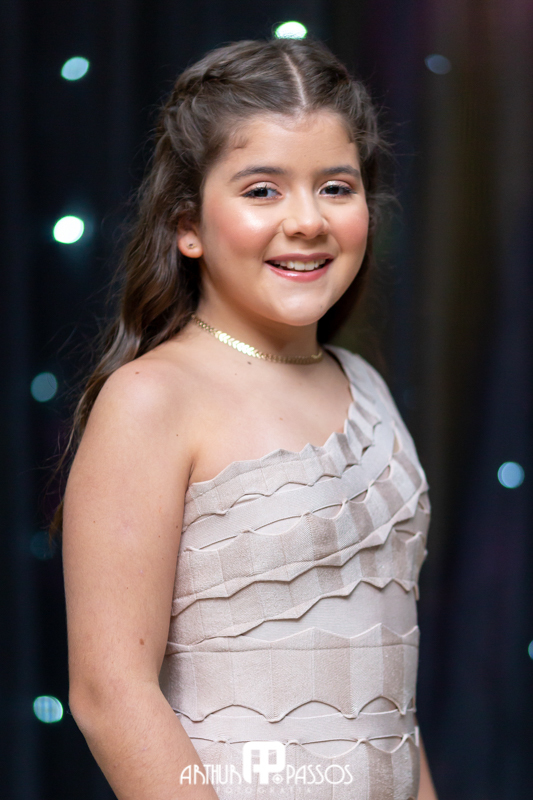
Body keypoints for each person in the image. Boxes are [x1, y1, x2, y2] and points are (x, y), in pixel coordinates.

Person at [55, 37, 438, 800]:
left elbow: (388, 704)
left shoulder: (365, 387)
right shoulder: (153, 400)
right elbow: (109, 694)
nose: (306, 220)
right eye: (262, 190)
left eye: (335, 187)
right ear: (187, 224)